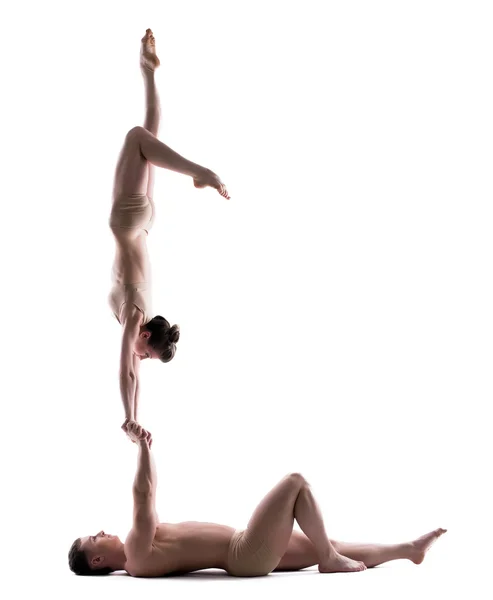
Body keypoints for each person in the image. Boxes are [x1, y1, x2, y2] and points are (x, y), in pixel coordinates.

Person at [68, 423, 447, 578]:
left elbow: (144, 499)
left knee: (328, 543)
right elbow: (143, 496)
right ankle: (329, 562)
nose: (100, 532)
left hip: (247, 550)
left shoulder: (139, 561)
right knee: (295, 482)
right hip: (245, 552)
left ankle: (408, 549)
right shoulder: (134, 552)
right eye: (94, 538)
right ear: (98, 560)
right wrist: (143, 447)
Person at [108, 30, 230, 440]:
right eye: (145, 350)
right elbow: (126, 367)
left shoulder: (142, 318)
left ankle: (148, 71)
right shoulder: (134, 318)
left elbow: (136, 375)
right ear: (144, 336)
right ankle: (201, 172)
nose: (140, 357)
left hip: (143, 224)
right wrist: (127, 415)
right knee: (138, 138)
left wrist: (136, 419)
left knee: (149, 137)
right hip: (128, 222)